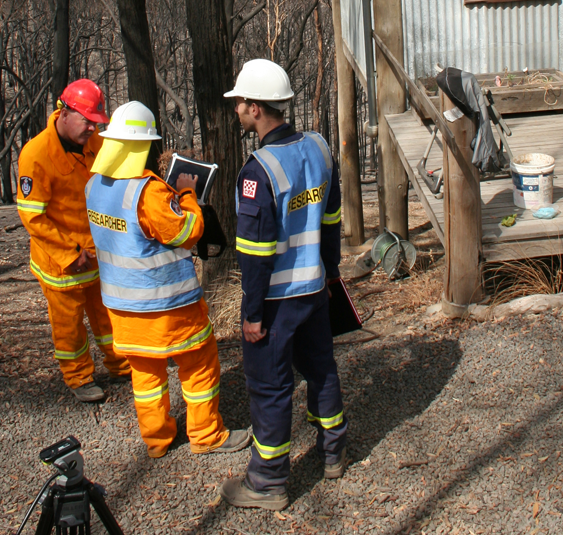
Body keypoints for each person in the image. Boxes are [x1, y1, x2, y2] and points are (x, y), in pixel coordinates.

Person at [85, 101, 250, 459]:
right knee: (199, 363)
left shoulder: (94, 187)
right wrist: (188, 194)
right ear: (143, 146)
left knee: (145, 375)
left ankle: (157, 440)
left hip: (122, 309)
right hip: (169, 307)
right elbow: (187, 232)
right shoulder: (148, 193)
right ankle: (206, 435)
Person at [219, 59, 347, 510]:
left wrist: (252, 314)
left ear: (255, 108)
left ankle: (269, 481)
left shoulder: (259, 171)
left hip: (275, 302)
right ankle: (335, 452)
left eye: (240, 102)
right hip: (314, 290)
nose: (236, 108)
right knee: (322, 369)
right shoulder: (319, 148)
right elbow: (330, 220)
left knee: (270, 389)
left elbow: (255, 255)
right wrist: (330, 274)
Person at [17, 79, 131, 403]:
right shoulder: (37, 154)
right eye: (86, 121)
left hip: (96, 253)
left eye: (96, 122)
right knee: (69, 326)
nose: (91, 128)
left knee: (107, 314)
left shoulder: (95, 144)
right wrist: (69, 253)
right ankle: (79, 377)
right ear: (65, 113)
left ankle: (120, 364)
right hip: (61, 262)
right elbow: (33, 217)